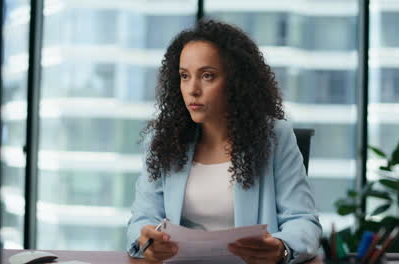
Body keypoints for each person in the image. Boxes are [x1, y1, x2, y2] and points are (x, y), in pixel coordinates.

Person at [126, 20, 322, 264]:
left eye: (207, 76)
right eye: (184, 76)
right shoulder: (163, 140)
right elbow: (142, 219)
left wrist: (281, 248)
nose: (192, 89)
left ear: (236, 82)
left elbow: (303, 221)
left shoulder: (275, 137)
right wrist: (147, 242)